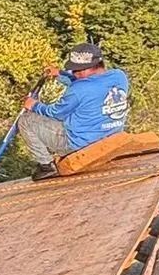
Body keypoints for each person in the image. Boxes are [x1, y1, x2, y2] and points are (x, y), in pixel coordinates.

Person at [18, 41, 131, 179]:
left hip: (80, 142)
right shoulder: (119, 76)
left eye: (77, 70)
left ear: (89, 68)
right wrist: (60, 74)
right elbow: (90, 85)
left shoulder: (78, 89)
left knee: (25, 121)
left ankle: (46, 166)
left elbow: (55, 113)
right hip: (111, 133)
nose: (74, 73)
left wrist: (34, 105)